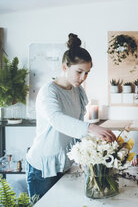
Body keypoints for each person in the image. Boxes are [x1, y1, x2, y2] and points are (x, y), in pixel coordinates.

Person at [26, 33, 116, 199]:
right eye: (79, 72)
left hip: (65, 164)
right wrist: (90, 128)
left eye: (87, 73)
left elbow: (76, 123)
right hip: (42, 167)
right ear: (64, 67)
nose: (83, 78)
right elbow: (57, 119)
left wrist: (84, 153)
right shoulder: (49, 91)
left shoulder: (78, 90)